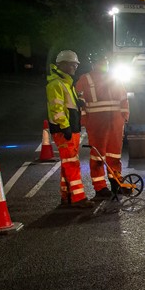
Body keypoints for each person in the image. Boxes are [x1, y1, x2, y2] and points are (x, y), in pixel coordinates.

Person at [75, 50, 130, 199]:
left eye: (104, 62)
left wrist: (124, 116)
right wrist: (85, 121)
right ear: (94, 64)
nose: (103, 64)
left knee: (114, 155)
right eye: (101, 62)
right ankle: (100, 188)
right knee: (98, 156)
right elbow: (80, 103)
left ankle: (116, 182)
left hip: (114, 122)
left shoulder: (114, 78)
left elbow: (123, 98)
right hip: (98, 123)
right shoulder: (85, 79)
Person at [46, 50, 95, 209]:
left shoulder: (66, 82)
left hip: (70, 128)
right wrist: (64, 126)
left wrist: (78, 102)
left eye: (76, 64)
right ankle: (78, 198)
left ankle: (66, 195)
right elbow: (57, 108)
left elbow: (68, 105)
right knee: (72, 163)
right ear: (63, 65)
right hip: (64, 130)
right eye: (73, 64)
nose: (75, 66)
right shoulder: (56, 84)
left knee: (68, 162)